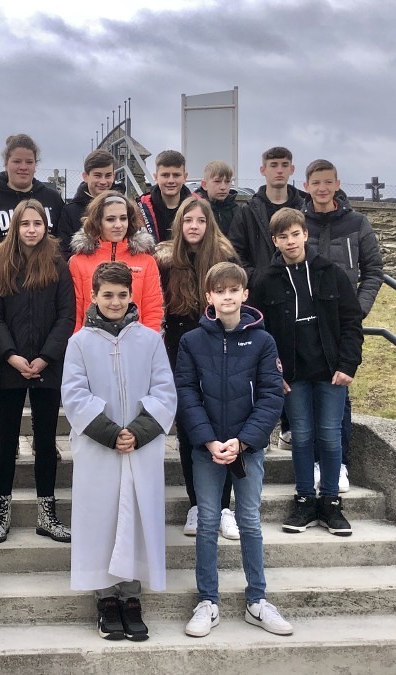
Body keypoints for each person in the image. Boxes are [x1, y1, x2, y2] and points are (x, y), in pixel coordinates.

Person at [175, 262, 291, 638]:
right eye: (219, 291)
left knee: (250, 522)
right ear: (209, 296)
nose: (227, 296)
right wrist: (209, 440)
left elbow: (271, 395)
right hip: (206, 450)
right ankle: (208, 601)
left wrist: (243, 441)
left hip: (248, 449)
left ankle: (257, 600)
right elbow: (186, 394)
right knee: (208, 521)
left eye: (233, 290)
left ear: (244, 294)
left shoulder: (263, 341)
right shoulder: (192, 341)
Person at [62, 261, 177, 642]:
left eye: (122, 295)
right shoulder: (79, 343)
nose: (115, 302)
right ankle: (106, 599)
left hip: (140, 448)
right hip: (100, 448)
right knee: (103, 519)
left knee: (136, 517)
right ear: (93, 295)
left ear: (132, 296)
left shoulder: (150, 340)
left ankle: (131, 596)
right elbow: (74, 395)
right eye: (107, 295)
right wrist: (111, 434)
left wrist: (138, 432)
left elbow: (165, 393)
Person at [256, 208, 363, 537]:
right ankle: (304, 500)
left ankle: (330, 502)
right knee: (301, 437)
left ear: (305, 234)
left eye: (295, 234)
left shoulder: (331, 273)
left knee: (329, 435)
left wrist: (348, 365)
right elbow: (261, 333)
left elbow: (351, 322)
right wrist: (273, 374)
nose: (290, 241)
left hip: (331, 372)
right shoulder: (265, 281)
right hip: (292, 375)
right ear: (274, 241)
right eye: (283, 236)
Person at [0, 198, 75, 544]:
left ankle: (47, 513)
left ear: (45, 226)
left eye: (37, 223)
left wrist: (46, 357)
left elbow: (66, 314)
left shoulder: (57, 262)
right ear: (15, 227)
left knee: (46, 440)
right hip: (10, 366)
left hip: (47, 366)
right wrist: (11, 355)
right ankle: (1, 510)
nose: (32, 230)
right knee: (6, 438)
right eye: (25, 224)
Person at [156, 196, 240, 539]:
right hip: (179, 353)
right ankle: (196, 505)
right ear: (179, 224)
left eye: (200, 220)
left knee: (224, 427)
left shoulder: (225, 257)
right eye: (188, 220)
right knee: (191, 430)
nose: (194, 226)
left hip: (221, 350)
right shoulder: (165, 260)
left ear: (209, 224)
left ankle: (223, 506)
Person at [302, 159, 384, 492]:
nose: (322, 188)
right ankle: (313, 463)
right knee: (307, 395)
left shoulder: (357, 223)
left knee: (339, 395)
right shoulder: (298, 221)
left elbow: (373, 271)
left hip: (340, 324)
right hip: (305, 323)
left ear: (337, 184)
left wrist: (357, 312)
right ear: (306, 186)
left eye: (328, 182)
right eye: (315, 183)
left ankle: (339, 465)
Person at [228, 146, 306, 452]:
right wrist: (261, 278)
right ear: (263, 170)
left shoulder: (304, 205)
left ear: (292, 169)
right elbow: (236, 254)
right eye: (273, 165)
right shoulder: (248, 211)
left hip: (300, 297)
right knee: (260, 364)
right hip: (261, 300)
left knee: (296, 361)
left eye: (284, 164)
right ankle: (256, 432)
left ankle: (290, 427)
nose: (279, 170)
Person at [0, 134, 65, 273]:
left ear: (35, 165)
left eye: (29, 162)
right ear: (6, 163)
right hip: (1, 281)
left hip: (46, 279)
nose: (23, 167)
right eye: (17, 161)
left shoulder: (52, 199)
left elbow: (62, 245)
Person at [68, 190, 163, 333]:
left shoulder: (146, 261)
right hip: (91, 341)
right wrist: (77, 343)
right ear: (98, 222)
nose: (118, 225)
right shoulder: (78, 261)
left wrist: (148, 341)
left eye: (123, 218)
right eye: (110, 219)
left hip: (135, 340)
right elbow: (75, 313)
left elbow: (153, 310)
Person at [57, 149, 117, 256]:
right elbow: (64, 251)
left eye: (108, 175)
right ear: (85, 176)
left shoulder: (124, 208)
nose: (103, 181)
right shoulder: (70, 212)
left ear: (114, 176)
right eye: (97, 175)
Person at [137, 150, 193, 242]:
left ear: (185, 177)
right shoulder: (141, 208)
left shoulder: (198, 205)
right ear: (156, 177)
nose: (171, 181)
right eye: (165, 175)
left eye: (176, 175)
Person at [193, 160, 240, 237]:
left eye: (227, 181)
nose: (223, 187)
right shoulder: (196, 209)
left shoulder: (237, 211)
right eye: (217, 181)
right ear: (204, 184)